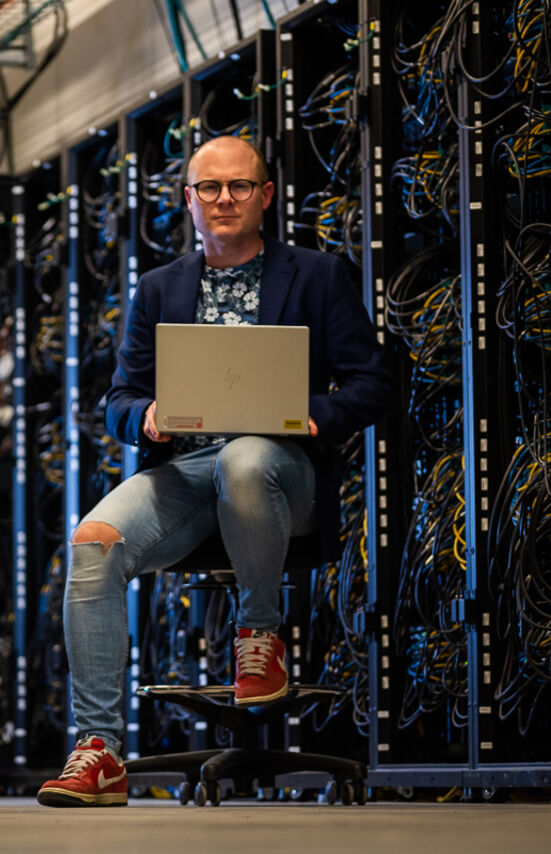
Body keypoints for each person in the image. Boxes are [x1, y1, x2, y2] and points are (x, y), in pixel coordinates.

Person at [35, 135, 390, 807]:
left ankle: (260, 636)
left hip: (283, 473)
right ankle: (100, 751)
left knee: (245, 455)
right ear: (189, 200)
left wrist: (313, 416)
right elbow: (117, 400)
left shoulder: (316, 275)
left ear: (266, 196)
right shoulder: (160, 287)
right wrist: (146, 418)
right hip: (189, 474)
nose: (223, 199)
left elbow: (375, 385)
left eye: (239, 187)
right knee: (92, 544)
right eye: (209, 188)